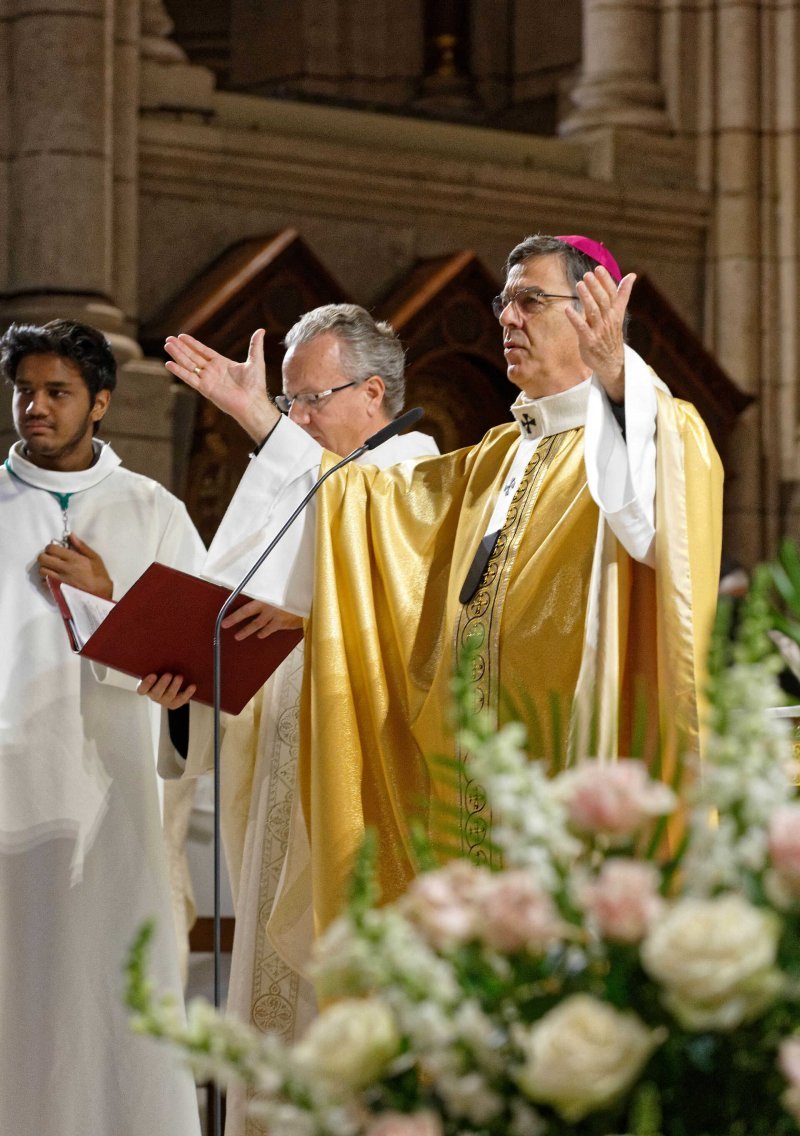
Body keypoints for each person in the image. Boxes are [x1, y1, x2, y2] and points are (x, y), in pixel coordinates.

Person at [163, 234, 723, 952]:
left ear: (594, 310)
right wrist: (264, 420)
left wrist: (618, 379)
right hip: (466, 790)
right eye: (503, 301)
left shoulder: (654, 429)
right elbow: (362, 506)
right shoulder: (495, 457)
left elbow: (652, 531)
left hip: (573, 767)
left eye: (530, 300)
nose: (508, 320)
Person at [145, 303, 437, 1136]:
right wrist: (190, 693)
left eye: (312, 399)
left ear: (374, 391)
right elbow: (239, 605)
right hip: (280, 786)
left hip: (365, 804)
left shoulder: (414, 479)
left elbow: (378, 599)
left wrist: (260, 422)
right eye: (289, 400)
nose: (296, 418)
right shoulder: (314, 477)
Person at [0, 319, 203, 1136]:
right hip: (10, 794)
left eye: (57, 393)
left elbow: (195, 662)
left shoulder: (152, 510)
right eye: (25, 393)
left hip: (116, 798)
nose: (35, 409)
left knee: (116, 998)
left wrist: (109, 595)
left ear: (103, 403)